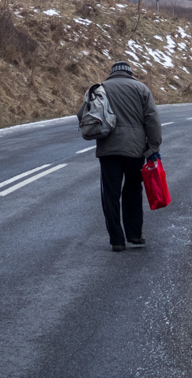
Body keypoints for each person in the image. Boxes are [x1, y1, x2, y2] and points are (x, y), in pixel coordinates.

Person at [77, 60, 162, 252]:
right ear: (130, 73)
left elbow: (83, 114)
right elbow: (152, 119)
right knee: (133, 190)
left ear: (112, 73)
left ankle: (117, 240)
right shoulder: (142, 89)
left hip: (109, 150)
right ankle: (135, 235)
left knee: (111, 194)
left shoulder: (102, 88)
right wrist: (153, 147)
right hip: (135, 150)